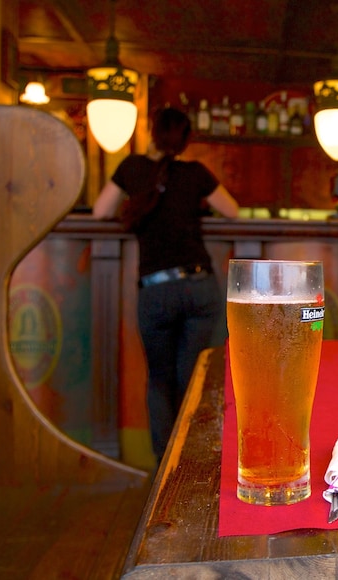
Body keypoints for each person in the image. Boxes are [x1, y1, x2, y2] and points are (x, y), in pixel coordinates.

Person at [93, 106, 239, 460]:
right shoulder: (195, 173)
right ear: (186, 139)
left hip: (156, 290)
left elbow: (100, 211)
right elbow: (233, 211)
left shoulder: (132, 168)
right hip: (199, 285)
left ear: (151, 133)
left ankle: (165, 469)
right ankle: (193, 462)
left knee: (160, 380)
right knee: (195, 381)